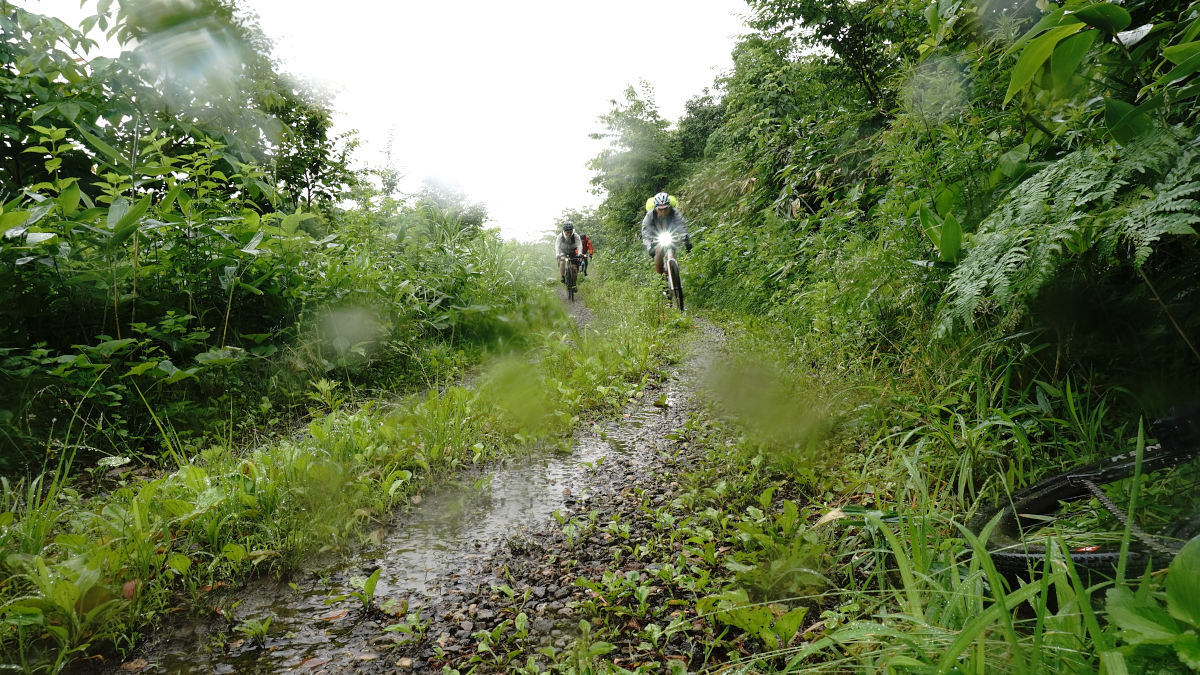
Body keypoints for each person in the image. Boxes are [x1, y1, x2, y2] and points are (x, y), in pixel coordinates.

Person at [641, 191, 692, 275]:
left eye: (665, 209)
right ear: (655, 208)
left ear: (669, 207)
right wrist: (650, 247)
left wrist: (685, 239)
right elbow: (646, 232)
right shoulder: (650, 216)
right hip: (656, 234)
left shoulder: (675, 213)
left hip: (670, 233)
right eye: (660, 210)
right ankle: (660, 278)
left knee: (672, 247)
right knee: (658, 251)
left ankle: (673, 273)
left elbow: (681, 226)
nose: (663, 212)